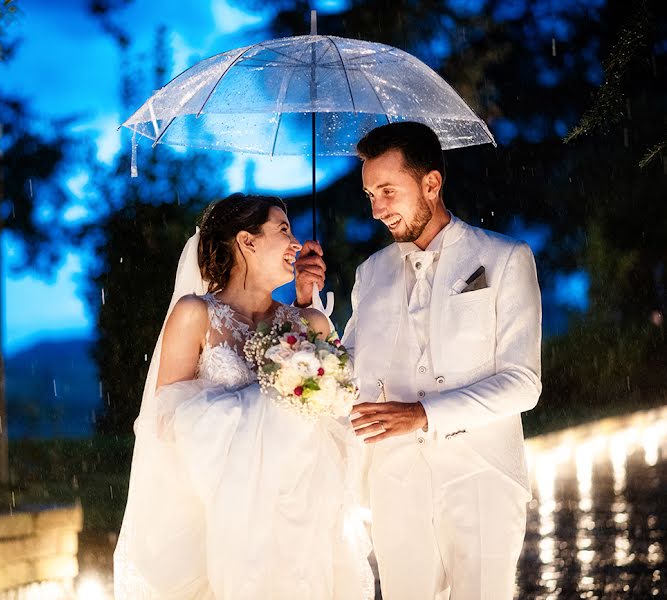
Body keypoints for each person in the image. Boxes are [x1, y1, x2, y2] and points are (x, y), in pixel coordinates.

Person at [302, 121, 539, 599]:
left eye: (388, 190)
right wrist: (308, 301)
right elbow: (345, 373)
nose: (377, 209)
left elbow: (522, 383)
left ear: (431, 183)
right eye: (370, 195)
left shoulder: (505, 258)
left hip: (482, 473)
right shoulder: (370, 274)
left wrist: (423, 415)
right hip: (395, 482)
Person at [113, 193, 374, 599]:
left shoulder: (309, 321)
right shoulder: (195, 314)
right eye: (283, 229)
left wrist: (308, 310)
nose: (295, 243)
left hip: (298, 516)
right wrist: (267, 406)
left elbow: (339, 407)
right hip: (217, 515)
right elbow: (165, 422)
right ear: (246, 242)